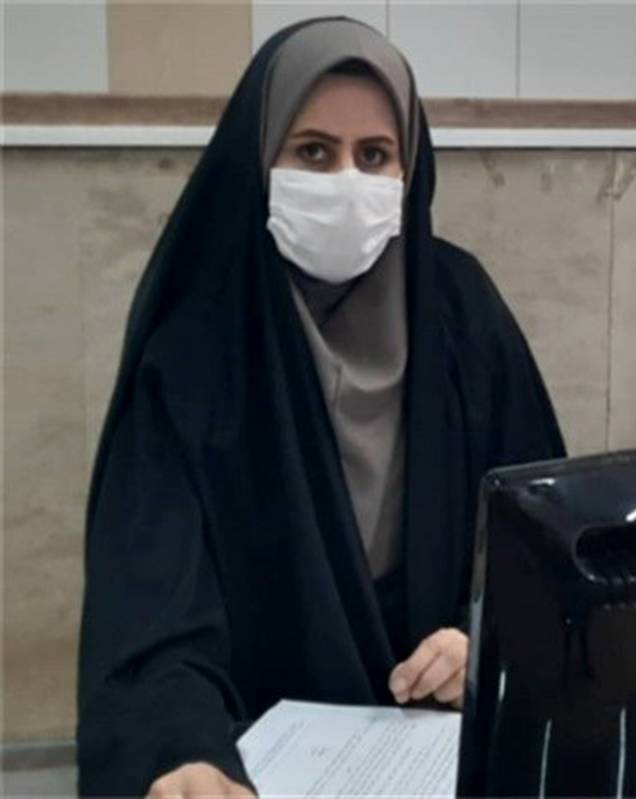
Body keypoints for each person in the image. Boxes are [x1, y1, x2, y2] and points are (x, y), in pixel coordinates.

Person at [76, 18, 564, 797]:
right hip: (255, 763)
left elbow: (541, 542)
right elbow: (152, 614)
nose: (345, 182)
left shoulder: (461, 315)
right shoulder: (196, 351)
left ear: (410, 167)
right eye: (311, 152)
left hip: (447, 755)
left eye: (373, 156)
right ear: (260, 160)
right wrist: (183, 750)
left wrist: (489, 643)